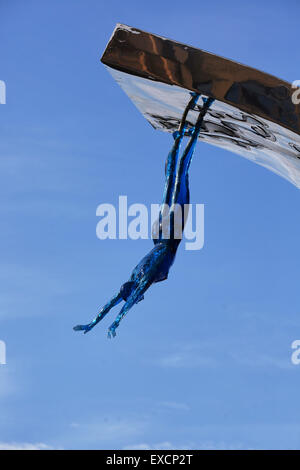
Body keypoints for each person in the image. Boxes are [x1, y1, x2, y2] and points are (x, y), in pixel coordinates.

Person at [73, 94, 214, 338]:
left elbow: (117, 303)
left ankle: (196, 114)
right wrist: (105, 322)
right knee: (176, 175)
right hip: (165, 231)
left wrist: (105, 322)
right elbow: (117, 303)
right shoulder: (138, 278)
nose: (137, 298)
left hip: (165, 233)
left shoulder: (137, 280)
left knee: (177, 173)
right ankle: (194, 118)